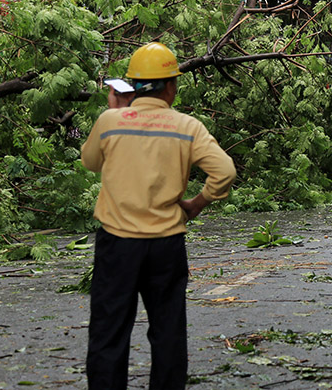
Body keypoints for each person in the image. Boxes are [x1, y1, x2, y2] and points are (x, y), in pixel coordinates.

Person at [81, 42, 236, 390]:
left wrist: (115, 112)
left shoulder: (109, 122)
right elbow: (224, 170)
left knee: (109, 331)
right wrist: (198, 202)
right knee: (167, 331)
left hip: (117, 245)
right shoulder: (187, 127)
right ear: (171, 86)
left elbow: (90, 162)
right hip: (166, 245)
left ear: (133, 86)